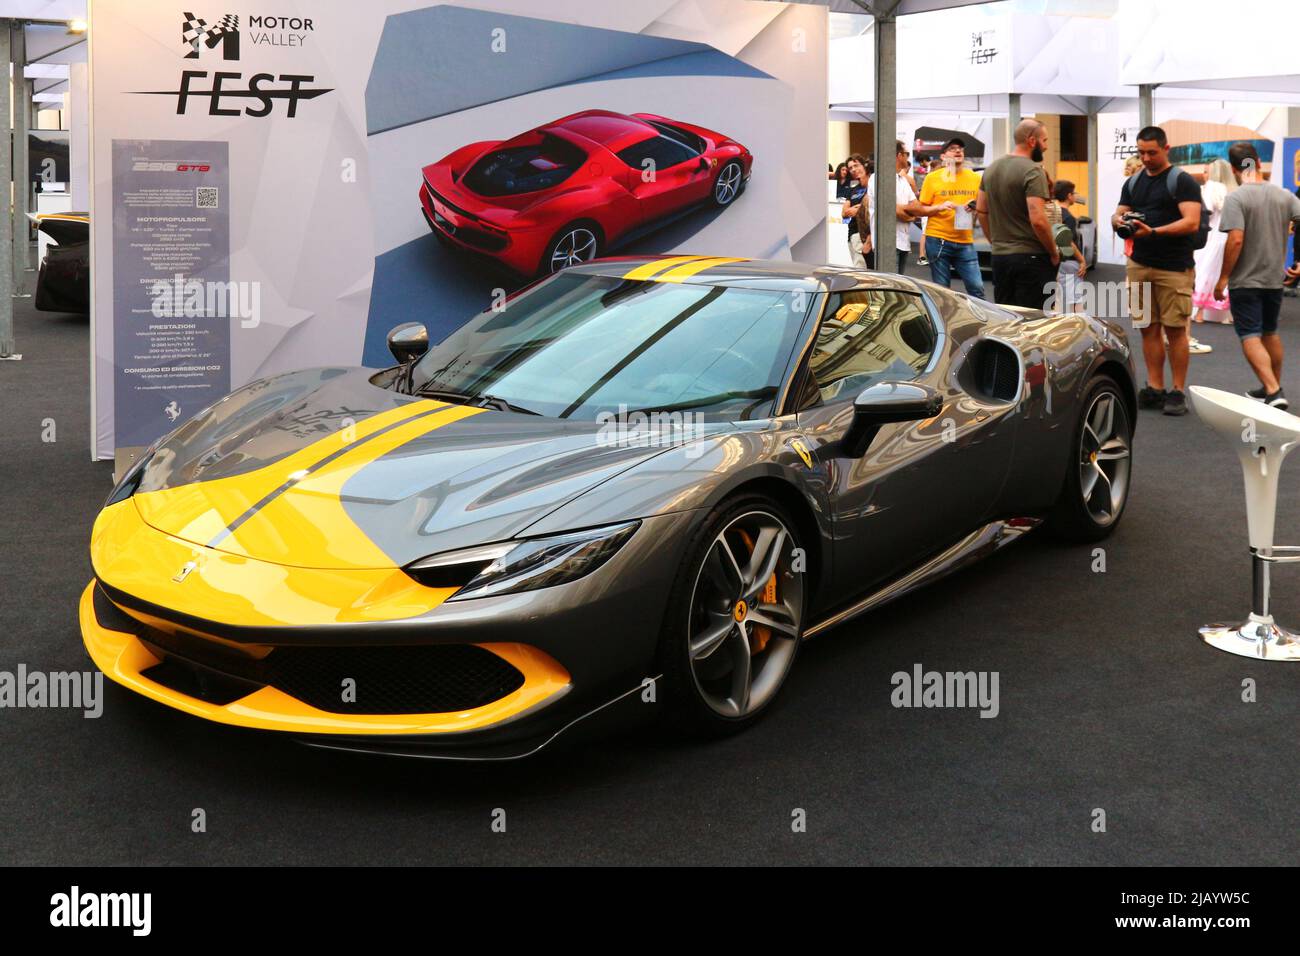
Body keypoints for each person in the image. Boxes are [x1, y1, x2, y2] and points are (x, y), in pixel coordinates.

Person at [1112, 125, 1204, 417]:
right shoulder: (1134, 181)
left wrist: (1153, 232)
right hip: (1139, 264)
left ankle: (1177, 391)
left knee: (1176, 331)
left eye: (1152, 152)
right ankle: (1155, 387)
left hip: (1174, 267)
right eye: (1141, 152)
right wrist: (1118, 220)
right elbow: (1120, 211)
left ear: (1166, 149)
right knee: (1147, 328)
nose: (1146, 157)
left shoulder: (1183, 181)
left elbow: (1191, 222)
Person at [1214, 141, 1300, 409]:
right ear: (1258, 163)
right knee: (1269, 332)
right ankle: (1270, 386)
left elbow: (1236, 240)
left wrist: (1223, 278)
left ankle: (1273, 390)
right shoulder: (1285, 195)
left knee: (1250, 334)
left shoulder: (1237, 198)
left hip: (1246, 280)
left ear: (1234, 168)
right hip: (1274, 279)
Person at [976, 118, 1059, 309]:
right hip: (1032, 258)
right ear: (1032, 141)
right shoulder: (1033, 170)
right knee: (1035, 321)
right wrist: (1053, 252)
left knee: (1007, 318)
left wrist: (995, 242)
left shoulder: (991, 169)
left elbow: (981, 210)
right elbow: (1038, 219)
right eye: (1044, 141)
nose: (1046, 147)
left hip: (1000, 258)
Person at [906, 137, 985, 297]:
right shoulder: (933, 178)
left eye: (961, 149)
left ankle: (982, 321)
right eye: (953, 149)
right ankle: (946, 321)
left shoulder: (975, 178)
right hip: (938, 240)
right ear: (943, 156)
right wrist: (939, 207)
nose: (958, 151)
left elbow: (985, 206)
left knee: (977, 288)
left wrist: (976, 205)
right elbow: (920, 209)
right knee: (943, 292)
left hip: (965, 240)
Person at [1192, 158, 1235, 324]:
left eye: (1205, 171)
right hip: (1226, 237)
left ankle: (1199, 312)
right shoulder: (1232, 191)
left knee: (1204, 272)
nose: (1203, 175)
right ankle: (1226, 315)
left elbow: (1207, 210)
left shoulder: (1211, 188)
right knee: (1222, 274)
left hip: (1210, 237)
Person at [868, 141, 919, 273]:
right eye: (906, 154)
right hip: (887, 244)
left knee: (898, 287)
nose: (908, 157)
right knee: (888, 288)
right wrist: (907, 212)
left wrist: (905, 212)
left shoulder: (903, 181)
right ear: (899, 155)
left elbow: (916, 208)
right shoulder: (878, 178)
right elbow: (894, 210)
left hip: (903, 242)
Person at [1046, 178, 1087, 311]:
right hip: (1069, 262)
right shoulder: (1068, 217)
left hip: (1056, 261)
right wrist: (1081, 260)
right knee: (1075, 302)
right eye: (1074, 193)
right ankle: (1077, 328)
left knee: (1059, 301)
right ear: (1069, 196)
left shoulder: (1052, 212)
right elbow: (1067, 242)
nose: (1075, 196)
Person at [840, 154, 871, 269]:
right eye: (850, 168)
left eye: (855, 165)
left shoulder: (871, 187)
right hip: (851, 234)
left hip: (863, 235)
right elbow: (844, 213)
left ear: (864, 166)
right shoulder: (853, 189)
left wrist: (858, 209)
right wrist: (859, 208)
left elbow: (868, 209)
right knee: (857, 268)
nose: (853, 170)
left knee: (863, 271)